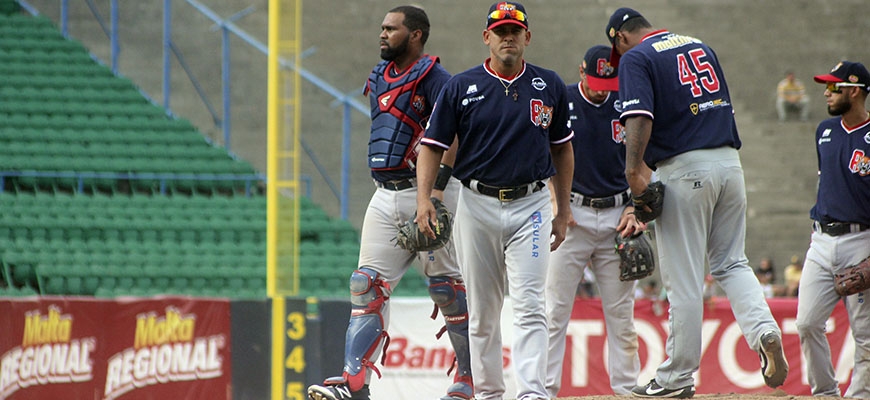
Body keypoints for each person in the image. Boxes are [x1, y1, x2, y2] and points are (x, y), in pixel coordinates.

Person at [606, 7, 789, 397]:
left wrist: (633, 170)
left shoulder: (636, 56)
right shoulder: (698, 44)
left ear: (620, 38)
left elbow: (638, 116)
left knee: (684, 280)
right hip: (729, 162)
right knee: (731, 262)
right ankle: (765, 332)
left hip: (684, 168)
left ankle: (676, 379)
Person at [307, 6, 472, 400]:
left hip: (430, 191)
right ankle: (354, 383)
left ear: (415, 35)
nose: (382, 34)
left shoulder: (435, 78)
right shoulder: (379, 76)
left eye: (391, 29)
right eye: (382, 28)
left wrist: (434, 192)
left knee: (447, 289)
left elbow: (454, 134)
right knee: (365, 285)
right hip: (385, 193)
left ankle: (468, 378)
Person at [414, 3, 575, 399]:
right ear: (486, 37)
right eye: (500, 30)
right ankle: (488, 392)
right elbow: (432, 147)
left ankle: (532, 392)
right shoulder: (461, 86)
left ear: (527, 37)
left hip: (532, 204)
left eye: (515, 30)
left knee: (531, 303)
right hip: (477, 202)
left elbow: (563, 150)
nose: (508, 37)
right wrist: (424, 199)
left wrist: (563, 208)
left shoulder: (549, 84)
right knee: (484, 309)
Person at [544, 44, 644, 397]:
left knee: (621, 313)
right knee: (554, 310)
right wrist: (558, 204)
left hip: (618, 213)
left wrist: (637, 206)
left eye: (610, 80)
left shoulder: (625, 102)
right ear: (582, 71)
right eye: (598, 79)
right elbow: (545, 153)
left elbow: (644, 158)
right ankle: (543, 389)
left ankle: (627, 388)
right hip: (572, 213)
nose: (604, 87)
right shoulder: (563, 99)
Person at [795, 60, 870, 399]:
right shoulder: (824, 130)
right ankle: (825, 392)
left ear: (854, 91)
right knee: (807, 323)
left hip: (862, 239)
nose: (826, 92)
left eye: (833, 87)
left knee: (865, 335)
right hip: (822, 238)